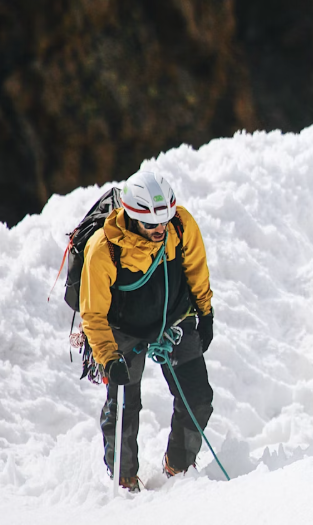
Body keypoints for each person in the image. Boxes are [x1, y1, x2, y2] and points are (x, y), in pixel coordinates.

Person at [80, 170, 214, 490]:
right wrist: (109, 358)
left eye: (164, 221)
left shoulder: (180, 225)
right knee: (124, 409)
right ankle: (124, 480)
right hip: (121, 333)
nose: (159, 229)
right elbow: (93, 314)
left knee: (197, 398)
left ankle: (179, 468)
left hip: (174, 321)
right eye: (151, 224)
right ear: (132, 216)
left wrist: (205, 312)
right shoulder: (103, 249)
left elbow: (195, 267)